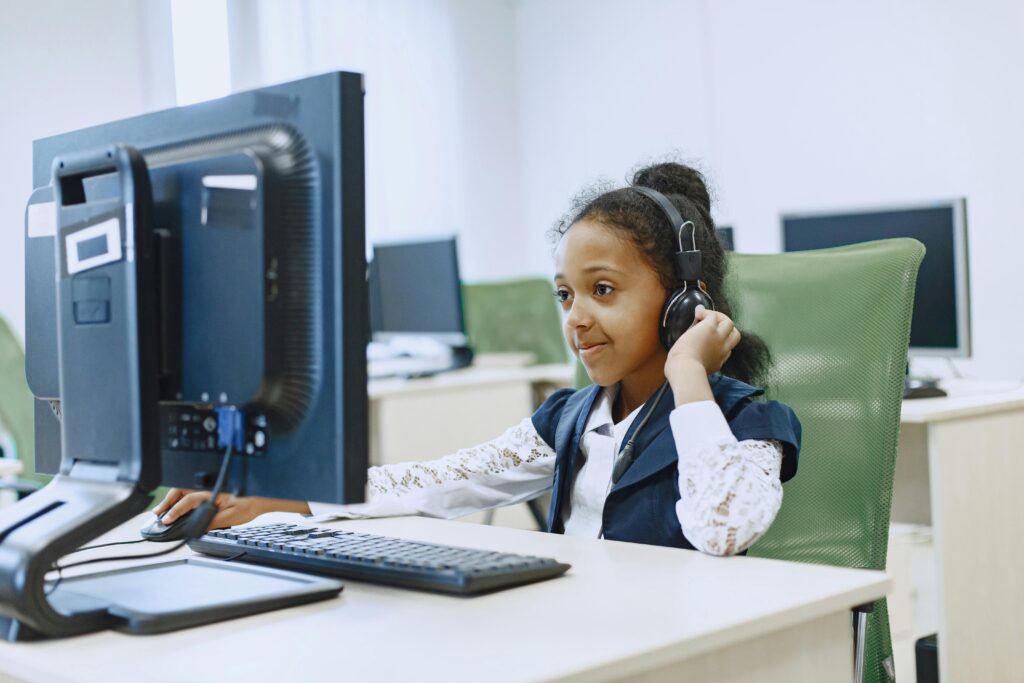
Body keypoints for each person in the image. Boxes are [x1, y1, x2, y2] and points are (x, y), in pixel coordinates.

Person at [154, 161, 801, 556]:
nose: (575, 315)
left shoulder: (746, 422)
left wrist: (688, 372)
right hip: (582, 639)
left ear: (684, 301)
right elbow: (438, 480)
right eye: (565, 294)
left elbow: (723, 528)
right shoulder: (569, 420)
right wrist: (293, 500)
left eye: (602, 290)